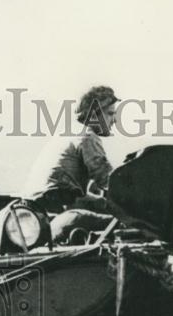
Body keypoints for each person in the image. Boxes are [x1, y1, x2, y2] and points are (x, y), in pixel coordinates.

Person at [28, 85, 141, 242]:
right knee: (137, 227)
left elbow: (68, 189)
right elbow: (109, 181)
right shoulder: (87, 136)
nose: (114, 120)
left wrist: (101, 201)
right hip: (48, 213)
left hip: (34, 216)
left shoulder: (68, 134)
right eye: (110, 114)